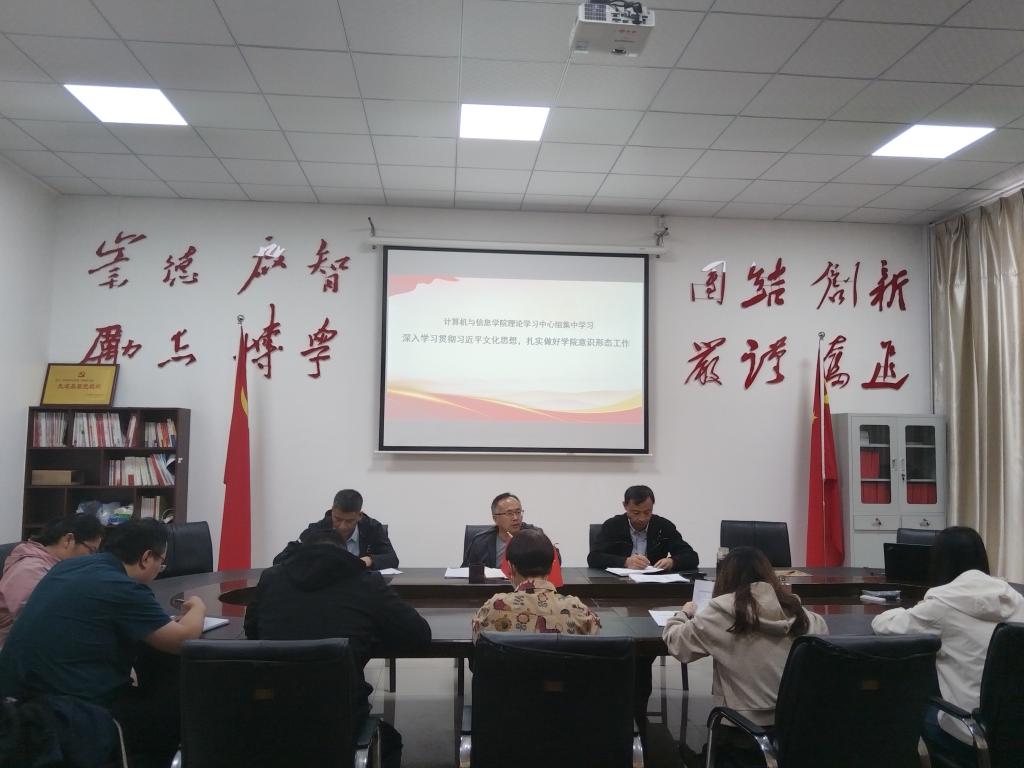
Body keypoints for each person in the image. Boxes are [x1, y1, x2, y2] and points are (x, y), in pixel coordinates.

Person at [0, 518, 207, 768]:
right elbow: (182, 640)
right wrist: (198, 606)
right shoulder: (124, 587)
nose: (158, 570)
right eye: (160, 563)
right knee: (175, 703)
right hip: (65, 713)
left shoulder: (67, 567)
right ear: (146, 558)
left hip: (13, 704)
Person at [245, 528, 431, 768]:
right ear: (345, 554)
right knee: (389, 741)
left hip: (271, 718)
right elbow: (419, 634)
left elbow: (252, 632)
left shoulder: (270, 579)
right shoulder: (366, 582)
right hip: (340, 722)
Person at [663, 547, 828, 764]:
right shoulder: (802, 616)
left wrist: (682, 614)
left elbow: (677, 644)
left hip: (740, 731)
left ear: (726, 578)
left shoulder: (721, 613)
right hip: (796, 729)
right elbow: (823, 641)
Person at [872, 526, 1024, 760]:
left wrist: (912, 608)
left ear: (940, 562)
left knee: (904, 711)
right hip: (1016, 730)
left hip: (971, 732)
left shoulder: (942, 605)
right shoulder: (1016, 600)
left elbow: (885, 625)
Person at [472, 529, 600, 640]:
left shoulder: (493, 607)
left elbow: (477, 641)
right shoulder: (577, 609)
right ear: (552, 566)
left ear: (511, 568)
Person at [0, 512, 104, 647]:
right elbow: (38, 620)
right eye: (91, 551)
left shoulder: (56, 567)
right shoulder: (30, 568)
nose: (92, 558)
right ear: (68, 540)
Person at [278, 488, 398, 569]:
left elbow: (392, 559)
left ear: (359, 516)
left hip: (362, 585)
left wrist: (368, 560)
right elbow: (281, 559)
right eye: (338, 519)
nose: (342, 526)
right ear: (332, 511)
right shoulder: (317, 529)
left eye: (349, 521)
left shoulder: (373, 528)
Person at [588, 485, 699, 572]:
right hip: (619, 583)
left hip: (654, 584)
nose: (642, 518)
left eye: (647, 512)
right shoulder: (613, 526)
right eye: (636, 513)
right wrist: (625, 562)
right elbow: (593, 558)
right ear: (625, 506)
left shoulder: (663, 526)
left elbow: (692, 557)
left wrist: (672, 561)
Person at [462, 492, 545, 568]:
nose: (515, 518)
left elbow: (548, 565)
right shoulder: (480, 541)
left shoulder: (535, 537)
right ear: (495, 519)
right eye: (509, 513)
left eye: (518, 512)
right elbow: (465, 572)